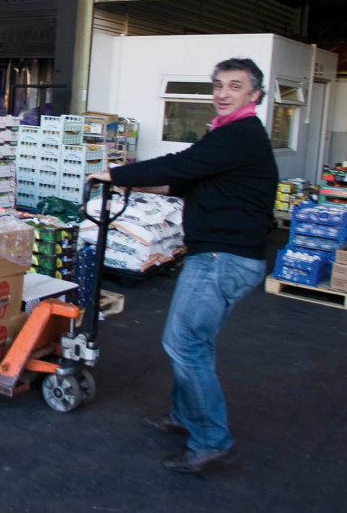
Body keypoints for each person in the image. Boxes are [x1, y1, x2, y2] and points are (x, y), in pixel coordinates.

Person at [89, 57, 277, 474]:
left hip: (222, 257)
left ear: (254, 95)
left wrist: (114, 174)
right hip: (223, 255)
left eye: (234, 86)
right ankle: (185, 415)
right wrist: (126, 182)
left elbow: (179, 165)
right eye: (218, 86)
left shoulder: (240, 135)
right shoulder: (228, 136)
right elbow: (182, 180)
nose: (223, 94)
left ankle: (211, 441)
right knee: (193, 341)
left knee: (186, 343)